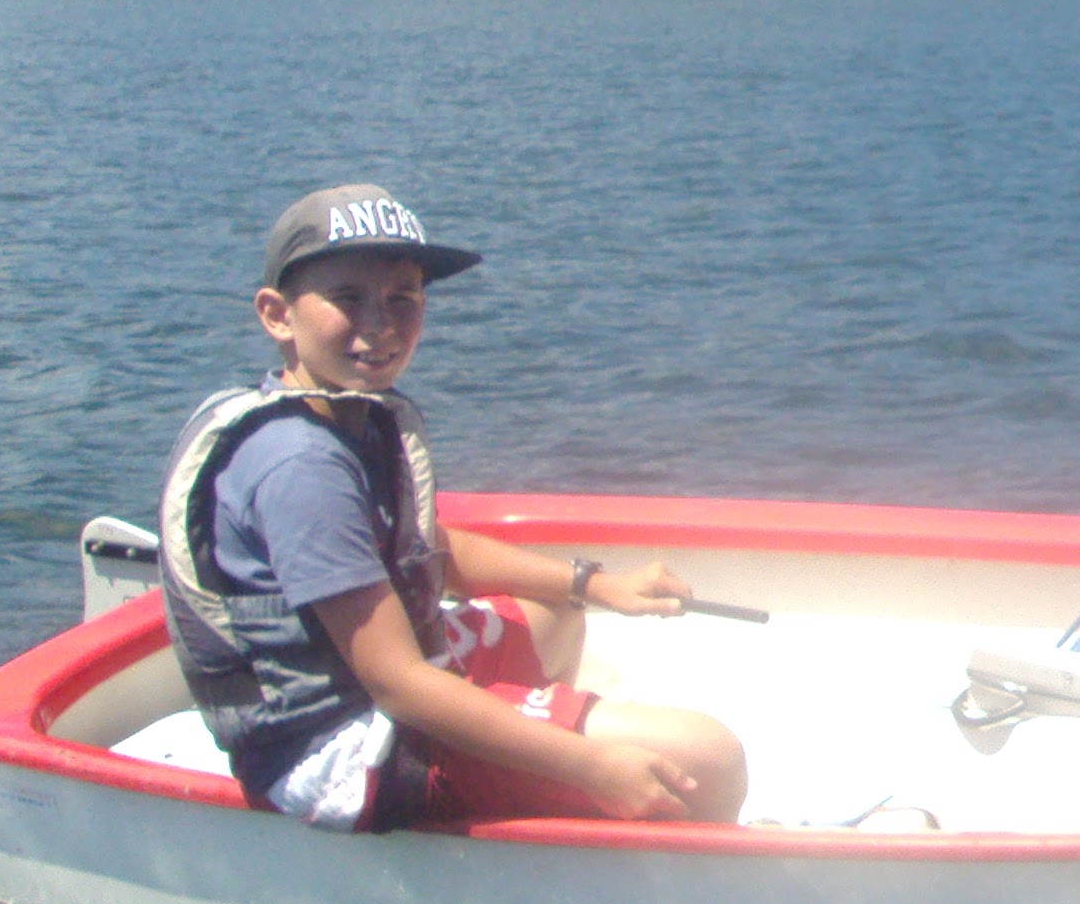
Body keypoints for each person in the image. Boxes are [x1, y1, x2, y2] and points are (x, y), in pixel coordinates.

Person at [155, 183, 747, 830]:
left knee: (556, 614)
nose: (380, 324)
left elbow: (429, 548)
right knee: (707, 759)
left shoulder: (343, 413)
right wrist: (589, 765)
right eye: (348, 298)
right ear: (277, 315)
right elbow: (397, 684)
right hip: (347, 751)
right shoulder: (300, 467)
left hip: (380, 691)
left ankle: (532, 775)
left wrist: (595, 584)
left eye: (402, 298)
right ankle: (592, 819)